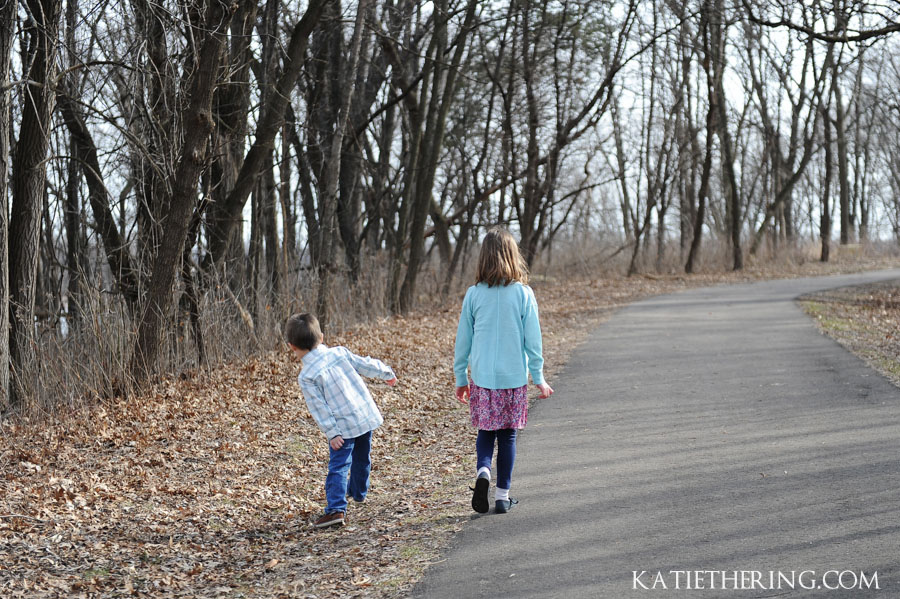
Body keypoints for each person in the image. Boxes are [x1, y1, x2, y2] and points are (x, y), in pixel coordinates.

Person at [454, 228, 553, 515]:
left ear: (483, 259)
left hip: (483, 378)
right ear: (513, 256)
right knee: (508, 436)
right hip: (512, 379)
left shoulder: (474, 295)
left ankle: (483, 471)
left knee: (486, 432)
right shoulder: (523, 294)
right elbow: (533, 341)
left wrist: (461, 377)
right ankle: (501, 496)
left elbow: (463, 340)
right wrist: (539, 376)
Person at [285, 312, 397, 528]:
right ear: (322, 337)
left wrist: (332, 433)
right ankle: (358, 491)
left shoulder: (307, 375)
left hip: (343, 427)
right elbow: (365, 365)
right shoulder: (339, 353)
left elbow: (319, 408)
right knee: (362, 457)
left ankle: (336, 509)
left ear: (292, 346)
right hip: (364, 416)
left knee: (339, 466)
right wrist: (386, 372)